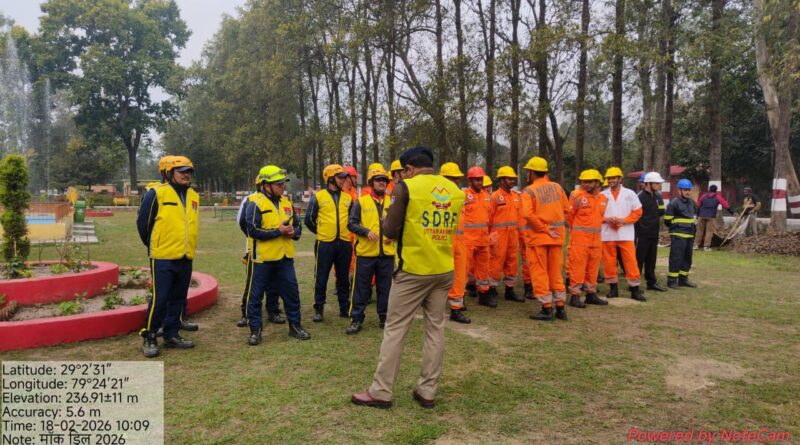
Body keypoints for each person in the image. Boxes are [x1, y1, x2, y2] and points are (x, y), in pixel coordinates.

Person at [351, 146, 464, 409]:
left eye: (402, 172)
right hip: (444, 268)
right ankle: (427, 390)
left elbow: (389, 230)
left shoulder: (406, 188)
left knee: (395, 329)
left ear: (409, 169)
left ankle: (381, 391)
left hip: (413, 270)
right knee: (435, 329)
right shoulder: (455, 191)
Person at [136, 156, 199, 358]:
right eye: (182, 171)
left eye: (189, 171)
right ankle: (150, 335)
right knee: (160, 298)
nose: (186, 174)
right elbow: (143, 224)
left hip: (185, 255)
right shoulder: (156, 194)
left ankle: (171, 334)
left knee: (179, 298)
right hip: (162, 256)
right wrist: (156, 244)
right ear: (168, 173)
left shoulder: (193, 196)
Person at [244, 166, 310, 344]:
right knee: (256, 296)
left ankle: (295, 326)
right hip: (263, 259)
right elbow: (252, 230)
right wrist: (278, 232)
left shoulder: (287, 203)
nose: (282, 186)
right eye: (278, 183)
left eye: (283, 183)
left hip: (285, 258)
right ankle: (255, 331)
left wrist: (293, 233)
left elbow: (298, 227)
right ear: (266, 185)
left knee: (292, 293)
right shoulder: (255, 203)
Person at [345, 164, 395, 334]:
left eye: (384, 180)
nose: (382, 183)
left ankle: (384, 318)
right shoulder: (361, 201)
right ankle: (356, 319)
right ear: (371, 182)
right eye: (378, 180)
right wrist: (366, 232)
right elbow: (351, 224)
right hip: (366, 253)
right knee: (361, 288)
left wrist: (394, 235)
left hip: (387, 254)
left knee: (385, 289)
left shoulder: (393, 202)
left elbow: (401, 225)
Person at [520, 156, 570, 321]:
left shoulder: (529, 191)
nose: (527, 174)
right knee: (556, 273)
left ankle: (547, 308)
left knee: (540, 273)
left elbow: (527, 214)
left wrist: (544, 228)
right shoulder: (557, 187)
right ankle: (560, 308)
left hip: (538, 239)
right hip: (556, 238)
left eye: (528, 171)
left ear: (532, 173)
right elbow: (566, 209)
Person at [305, 164, 353, 322]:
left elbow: (352, 220)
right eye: (340, 177)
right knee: (321, 276)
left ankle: (344, 308)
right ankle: (318, 309)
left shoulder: (348, 198)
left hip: (344, 243)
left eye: (344, 177)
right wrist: (321, 233)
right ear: (331, 178)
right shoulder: (318, 197)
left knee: (343, 278)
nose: (343, 180)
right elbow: (309, 220)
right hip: (325, 244)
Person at [236, 177, 285, 328]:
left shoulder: (279, 200)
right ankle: (246, 313)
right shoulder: (250, 199)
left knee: (274, 283)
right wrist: (252, 238)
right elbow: (242, 221)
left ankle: (273, 310)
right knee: (252, 284)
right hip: (255, 249)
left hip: (276, 248)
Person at [601, 167, 646, 302]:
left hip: (625, 233)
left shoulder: (630, 194)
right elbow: (596, 213)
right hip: (607, 234)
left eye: (614, 178)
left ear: (620, 179)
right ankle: (613, 289)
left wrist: (624, 220)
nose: (611, 180)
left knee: (630, 261)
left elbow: (638, 211)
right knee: (609, 262)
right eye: (609, 178)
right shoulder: (602, 195)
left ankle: (635, 289)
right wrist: (606, 219)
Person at [566, 169, 608, 308]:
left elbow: (600, 218)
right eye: (584, 182)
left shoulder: (603, 199)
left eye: (589, 182)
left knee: (593, 268)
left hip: (596, 240)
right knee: (577, 268)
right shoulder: (576, 196)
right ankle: (575, 296)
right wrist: (577, 233)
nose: (586, 184)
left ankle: (590, 294)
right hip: (580, 240)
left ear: (597, 183)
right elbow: (569, 217)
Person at [488, 166, 524, 303]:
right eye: (509, 179)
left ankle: (510, 290)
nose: (512, 181)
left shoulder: (516, 196)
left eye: (513, 179)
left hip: (512, 235)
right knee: (495, 262)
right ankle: (492, 290)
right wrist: (489, 236)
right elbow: (488, 217)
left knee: (512, 262)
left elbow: (520, 217)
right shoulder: (495, 197)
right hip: (498, 236)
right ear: (501, 180)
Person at [441, 162, 471, 324]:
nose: (455, 182)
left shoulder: (460, 196)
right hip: (441, 242)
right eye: (452, 179)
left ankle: (456, 308)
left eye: (456, 179)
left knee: (459, 276)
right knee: (436, 276)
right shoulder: (436, 196)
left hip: (460, 242)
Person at [463, 166, 493, 307]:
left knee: (483, 269)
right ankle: (460, 296)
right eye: (476, 180)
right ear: (470, 180)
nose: (479, 182)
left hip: (483, 240)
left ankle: (484, 295)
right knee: (464, 270)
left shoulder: (487, 197)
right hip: (468, 240)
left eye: (480, 179)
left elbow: (490, 218)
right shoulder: (463, 196)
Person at [635, 172, 668, 292]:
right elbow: (636, 216)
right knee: (639, 260)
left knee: (651, 260)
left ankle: (651, 282)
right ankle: (634, 285)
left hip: (653, 233)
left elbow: (659, 213)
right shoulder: (640, 197)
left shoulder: (656, 197)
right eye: (657, 183)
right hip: (642, 234)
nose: (659, 185)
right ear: (648, 184)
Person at [665, 179, 698, 289]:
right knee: (676, 258)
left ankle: (683, 280)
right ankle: (672, 281)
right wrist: (677, 227)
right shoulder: (674, 203)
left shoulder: (692, 202)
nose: (688, 192)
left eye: (689, 190)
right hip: (678, 235)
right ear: (679, 190)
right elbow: (667, 220)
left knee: (687, 259)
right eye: (685, 190)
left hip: (689, 235)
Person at [696, 184, 733, 251]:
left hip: (701, 215)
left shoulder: (703, 196)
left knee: (699, 231)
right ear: (716, 190)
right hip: (711, 216)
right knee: (709, 232)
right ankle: (706, 247)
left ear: (709, 189)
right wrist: (731, 212)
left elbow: (698, 205)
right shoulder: (717, 197)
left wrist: (697, 215)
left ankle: (696, 245)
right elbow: (725, 205)